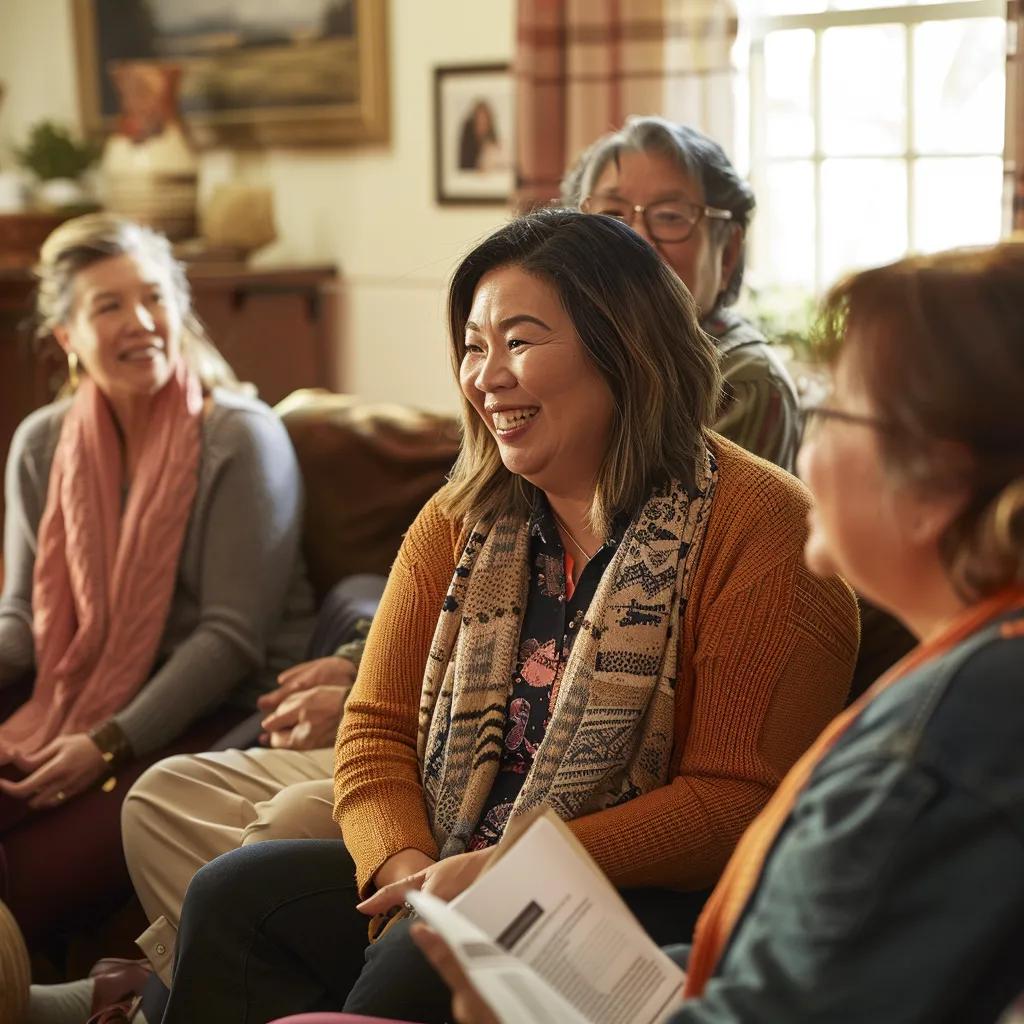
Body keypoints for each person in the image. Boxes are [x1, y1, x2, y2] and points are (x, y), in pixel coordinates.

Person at [157, 209, 859, 1024]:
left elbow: (735, 801)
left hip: (647, 901)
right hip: (455, 870)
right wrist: (405, 870)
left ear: (623, 347)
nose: (486, 375)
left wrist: (509, 871)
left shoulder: (763, 530)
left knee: (421, 967)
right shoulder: (457, 521)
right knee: (232, 897)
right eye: (473, 346)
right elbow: (373, 728)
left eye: (520, 341)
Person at [415, 241, 1024, 1023]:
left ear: (935, 482)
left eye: (832, 405)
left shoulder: (941, 745)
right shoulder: (978, 676)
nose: (807, 436)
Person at [0, 213, 315, 950]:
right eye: (108, 305)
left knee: (27, 878)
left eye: (153, 299)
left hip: (218, 711)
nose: (140, 321)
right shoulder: (41, 443)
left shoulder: (240, 436)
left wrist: (106, 744)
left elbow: (230, 640)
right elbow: (23, 620)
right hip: (77, 690)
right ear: (68, 336)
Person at [565, 116, 800, 472]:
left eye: (670, 216)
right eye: (611, 215)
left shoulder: (744, 382)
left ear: (728, 252)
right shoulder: (573, 355)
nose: (637, 240)